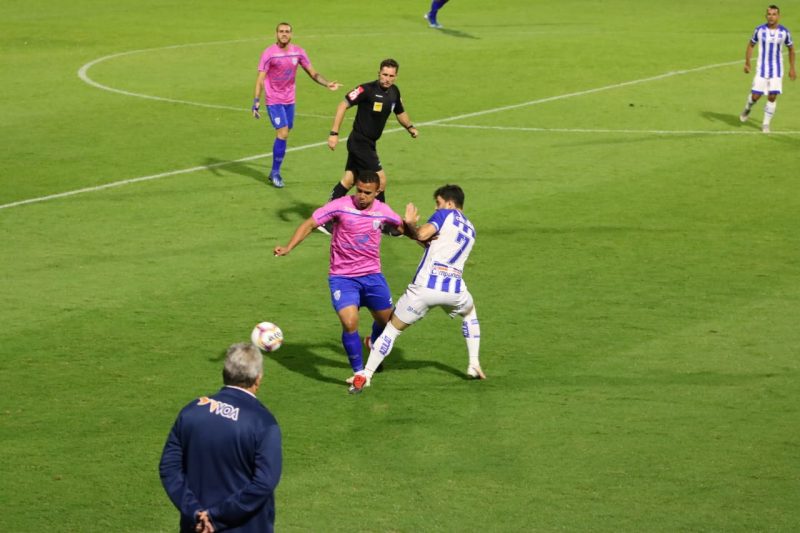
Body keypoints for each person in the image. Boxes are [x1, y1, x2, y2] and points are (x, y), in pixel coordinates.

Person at [274, 171, 418, 375]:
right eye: (359, 190)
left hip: (372, 276)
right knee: (350, 322)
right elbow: (310, 223)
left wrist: (412, 225)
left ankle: (374, 347)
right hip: (342, 277)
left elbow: (407, 231)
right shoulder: (340, 205)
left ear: (377, 192)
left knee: (388, 324)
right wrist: (289, 247)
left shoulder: (383, 211)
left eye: (367, 192)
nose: (361, 195)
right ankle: (359, 373)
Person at [349, 184, 485, 394]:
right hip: (455, 290)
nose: (437, 208)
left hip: (425, 288)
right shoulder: (470, 228)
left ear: (449, 203)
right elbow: (434, 245)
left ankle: (366, 375)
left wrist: (410, 225)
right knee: (469, 312)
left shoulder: (445, 215)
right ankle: (474, 364)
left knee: (392, 330)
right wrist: (412, 232)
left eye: (438, 204)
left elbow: (422, 234)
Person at [159, 343, 282, 533]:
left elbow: (170, 467)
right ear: (258, 379)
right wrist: (215, 517)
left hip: (196, 527)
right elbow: (263, 483)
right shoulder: (264, 423)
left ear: (225, 373)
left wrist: (195, 512)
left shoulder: (192, 411)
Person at [253, 22, 342, 188]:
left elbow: (313, 73)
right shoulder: (269, 54)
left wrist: (327, 83)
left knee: (286, 132)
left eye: (287, 31)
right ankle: (276, 172)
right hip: (274, 100)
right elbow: (260, 79)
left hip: (289, 100)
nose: (284, 34)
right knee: (283, 132)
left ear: (291, 34)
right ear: (276, 34)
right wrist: (256, 101)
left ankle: (273, 171)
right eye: (281, 31)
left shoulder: (298, 52)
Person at [326, 59, 418, 206]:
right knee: (380, 180)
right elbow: (343, 105)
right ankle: (383, 221)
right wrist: (334, 133)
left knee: (349, 180)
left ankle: (326, 214)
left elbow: (400, 112)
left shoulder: (394, 92)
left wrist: (410, 127)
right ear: (379, 73)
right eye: (384, 74)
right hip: (359, 142)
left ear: (396, 76)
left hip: (370, 143)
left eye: (391, 76)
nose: (387, 79)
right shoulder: (366, 90)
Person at [739, 5, 796, 133]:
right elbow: (751, 44)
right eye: (769, 14)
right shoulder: (759, 30)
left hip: (777, 69)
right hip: (761, 69)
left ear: (778, 16)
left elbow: (791, 49)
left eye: (774, 14)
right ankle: (747, 108)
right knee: (755, 96)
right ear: (766, 16)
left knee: (772, 96)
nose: (771, 17)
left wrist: (792, 68)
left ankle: (765, 124)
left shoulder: (784, 32)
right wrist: (747, 63)